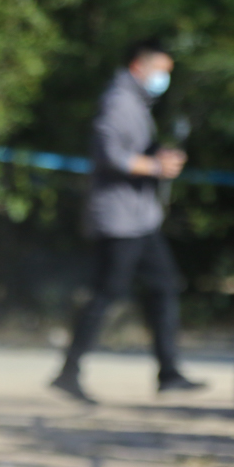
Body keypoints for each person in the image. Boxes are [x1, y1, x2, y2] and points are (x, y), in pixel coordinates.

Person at [51, 38, 203, 405]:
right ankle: (68, 371)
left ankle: (169, 372)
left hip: (140, 219)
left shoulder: (135, 101)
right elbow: (111, 154)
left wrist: (156, 156)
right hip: (119, 219)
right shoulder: (118, 100)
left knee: (164, 286)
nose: (164, 78)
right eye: (162, 71)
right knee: (107, 292)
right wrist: (155, 165)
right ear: (140, 65)